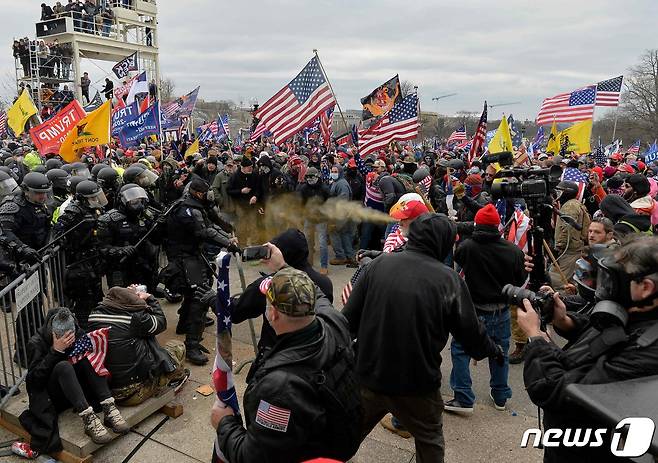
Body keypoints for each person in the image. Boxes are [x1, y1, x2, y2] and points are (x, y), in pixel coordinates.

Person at [343, 213, 503, 463]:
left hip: (368, 375)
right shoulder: (448, 280)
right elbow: (471, 334)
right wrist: (492, 350)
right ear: (442, 242)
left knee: (344, 438)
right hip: (417, 384)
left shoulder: (379, 264)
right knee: (429, 445)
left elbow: (347, 322)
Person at [518, 235, 658, 462]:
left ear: (645, 287)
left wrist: (536, 339)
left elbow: (555, 390)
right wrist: (565, 321)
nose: (607, 285)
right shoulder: (640, 313)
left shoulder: (647, 353)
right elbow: (609, 334)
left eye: (615, 278)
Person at [211, 266, 362, 463]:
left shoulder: (279, 388)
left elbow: (255, 457)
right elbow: (315, 291)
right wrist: (283, 267)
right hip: (338, 438)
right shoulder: (335, 321)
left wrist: (224, 423)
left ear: (273, 313)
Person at [445, 204, 526, 414]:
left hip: (472, 311)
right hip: (500, 310)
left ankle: (463, 397)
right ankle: (500, 395)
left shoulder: (466, 247)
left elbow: (458, 269)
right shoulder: (513, 251)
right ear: (497, 225)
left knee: (461, 350)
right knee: (499, 353)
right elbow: (519, 280)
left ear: (477, 224)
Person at [20, 307, 129, 454]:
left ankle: (108, 405)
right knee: (63, 366)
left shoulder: (76, 331)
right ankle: (88, 418)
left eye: (71, 338)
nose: (70, 342)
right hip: (51, 395)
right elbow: (33, 382)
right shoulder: (36, 343)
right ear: (54, 334)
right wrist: (55, 351)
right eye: (66, 339)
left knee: (88, 358)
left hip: (73, 388)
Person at [163, 178, 237, 365]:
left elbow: (212, 225)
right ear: (197, 193)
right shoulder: (189, 210)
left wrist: (228, 234)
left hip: (190, 254)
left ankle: (183, 324)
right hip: (184, 257)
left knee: (193, 291)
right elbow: (204, 232)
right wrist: (228, 243)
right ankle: (192, 345)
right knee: (200, 295)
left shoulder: (190, 204)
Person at [87, 286, 189, 405]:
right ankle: (173, 378)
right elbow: (160, 322)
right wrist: (150, 298)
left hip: (107, 390)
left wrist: (127, 294)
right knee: (176, 346)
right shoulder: (134, 319)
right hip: (134, 392)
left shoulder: (93, 316)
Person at [0, 172, 52, 366]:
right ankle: (23, 352)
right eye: (38, 193)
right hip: (19, 264)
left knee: (36, 307)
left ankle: (35, 347)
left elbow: (46, 227)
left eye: (45, 192)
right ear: (26, 191)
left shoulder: (41, 203)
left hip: (36, 259)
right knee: (27, 310)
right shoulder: (12, 206)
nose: (43, 196)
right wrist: (23, 249)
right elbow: (4, 233)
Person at [54, 180, 108, 328]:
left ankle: (96, 326)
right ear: (83, 198)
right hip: (78, 262)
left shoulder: (94, 209)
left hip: (93, 259)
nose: (96, 200)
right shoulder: (73, 211)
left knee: (96, 295)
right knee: (84, 300)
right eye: (92, 198)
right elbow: (59, 233)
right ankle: (83, 329)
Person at [96, 184, 162, 292]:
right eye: (134, 201)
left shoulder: (146, 215)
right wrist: (120, 250)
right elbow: (102, 247)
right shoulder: (108, 220)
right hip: (121, 268)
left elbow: (156, 239)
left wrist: (160, 226)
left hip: (144, 267)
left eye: (140, 200)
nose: (138, 204)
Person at [550, 181, 591, 287]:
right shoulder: (575, 203)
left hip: (569, 250)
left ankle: (562, 300)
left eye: (560, 190)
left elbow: (566, 227)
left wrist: (559, 246)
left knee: (558, 280)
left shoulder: (570, 206)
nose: (557, 193)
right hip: (574, 248)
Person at [328, 164, 356, 266]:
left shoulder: (342, 184)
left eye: (335, 172)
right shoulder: (337, 182)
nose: (333, 173)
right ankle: (350, 256)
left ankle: (340, 256)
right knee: (344, 235)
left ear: (340, 172)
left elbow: (342, 201)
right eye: (332, 171)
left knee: (334, 233)